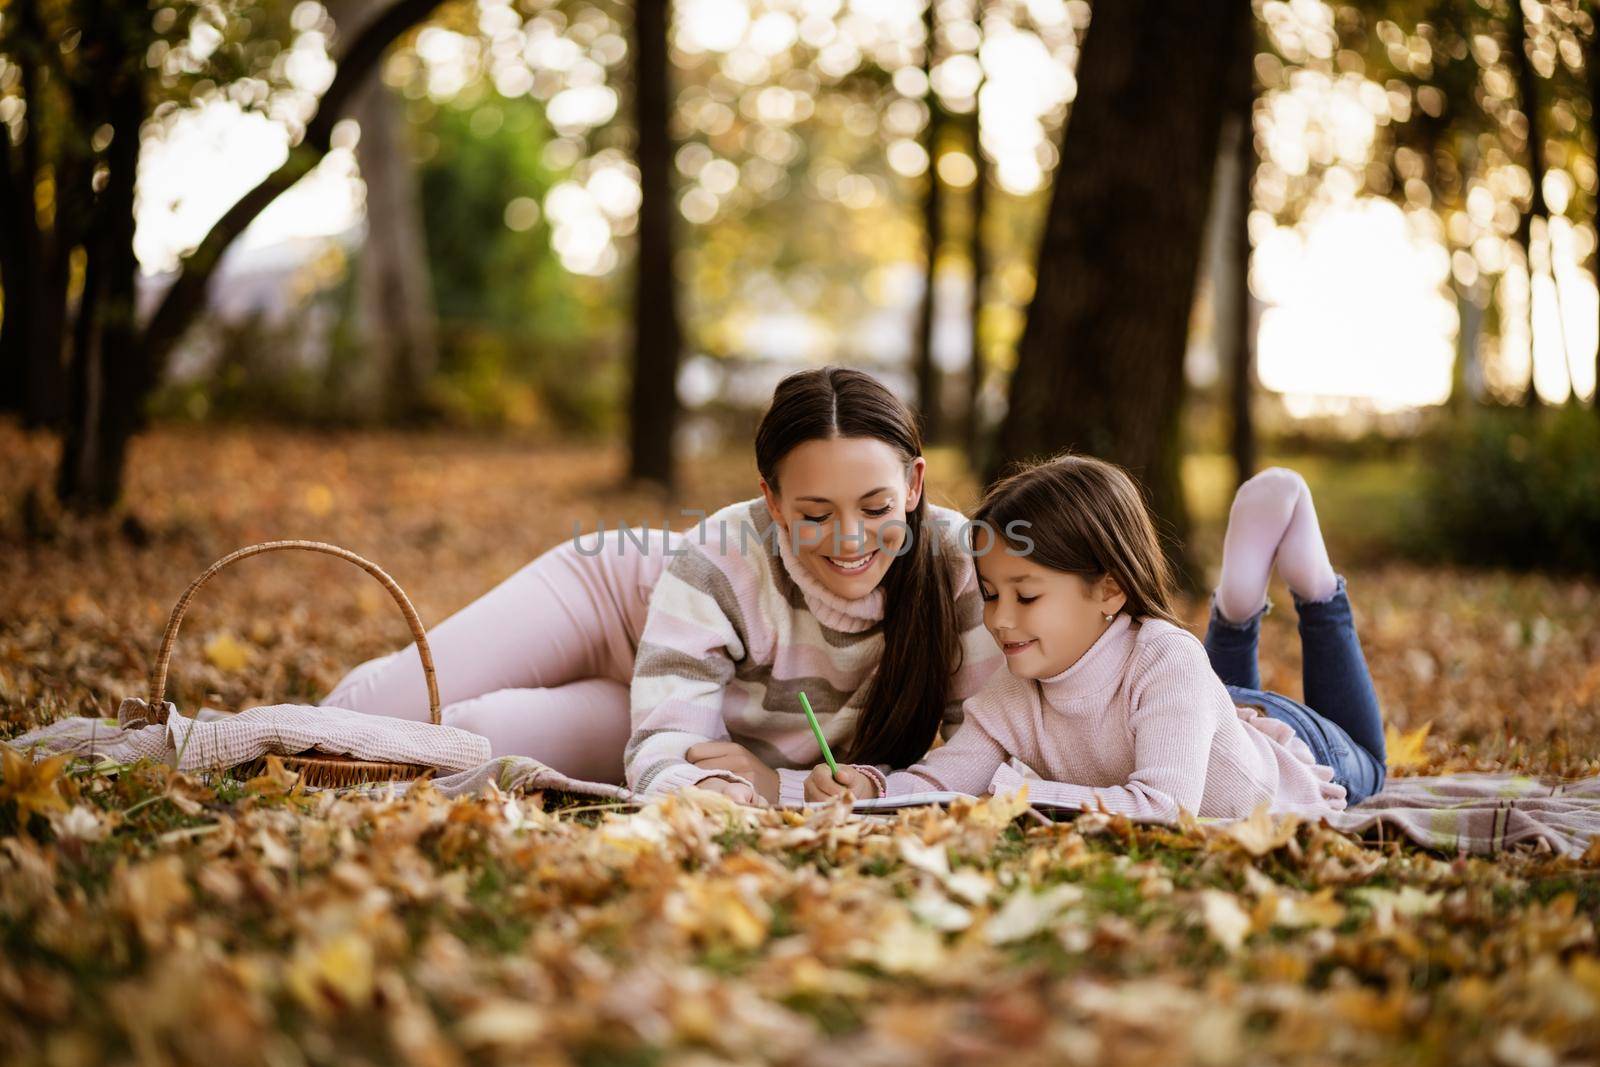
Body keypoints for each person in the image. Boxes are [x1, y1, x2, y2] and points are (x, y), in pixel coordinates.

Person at [321, 366, 1003, 803]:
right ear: (771, 500)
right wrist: (714, 782)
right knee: (383, 712)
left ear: (915, 484)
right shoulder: (724, 552)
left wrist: (781, 787)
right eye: (815, 514)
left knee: (466, 736)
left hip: (677, 700)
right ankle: (239, 739)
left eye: (877, 507)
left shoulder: (956, 566)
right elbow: (671, 756)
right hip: (609, 604)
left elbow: (982, 750)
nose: (851, 539)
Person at [804, 458, 1386, 818]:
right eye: (989, 593)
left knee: (1374, 765)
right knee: (1219, 690)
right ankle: (1234, 611)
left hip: (1305, 753)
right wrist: (867, 785)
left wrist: (1016, 791)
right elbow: (941, 780)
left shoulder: (1166, 656)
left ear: (1110, 591)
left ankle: (1311, 592)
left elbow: (1164, 808)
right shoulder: (1018, 686)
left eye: (1026, 596)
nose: (1000, 619)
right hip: (1203, 715)